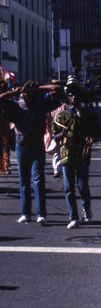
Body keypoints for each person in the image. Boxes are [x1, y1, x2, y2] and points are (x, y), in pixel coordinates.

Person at [0, 80, 61, 223]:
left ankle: (39, 214)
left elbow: (57, 88)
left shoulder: (38, 104)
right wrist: (21, 91)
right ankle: (28, 213)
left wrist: (26, 90)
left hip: (33, 146)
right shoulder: (23, 105)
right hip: (24, 147)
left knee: (35, 180)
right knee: (28, 180)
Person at [52, 78, 99, 229]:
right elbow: (55, 135)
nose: (74, 97)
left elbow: (96, 132)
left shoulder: (88, 115)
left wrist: (92, 137)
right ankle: (73, 217)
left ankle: (86, 208)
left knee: (82, 185)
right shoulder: (62, 116)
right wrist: (62, 134)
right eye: (71, 95)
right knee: (68, 186)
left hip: (83, 153)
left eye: (76, 94)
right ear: (68, 97)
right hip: (67, 153)